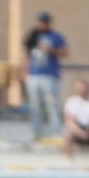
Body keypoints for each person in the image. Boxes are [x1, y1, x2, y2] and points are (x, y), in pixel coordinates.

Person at [22, 11, 68, 140]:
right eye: (40, 22)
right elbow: (26, 54)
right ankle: (36, 132)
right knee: (34, 106)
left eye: (44, 22)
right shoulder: (32, 35)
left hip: (50, 75)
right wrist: (24, 71)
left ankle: (56, 132)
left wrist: (49, 50)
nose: (41, 24)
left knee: (52, 104)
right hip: (34, 75)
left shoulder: (56, 36)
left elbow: (65, 52)